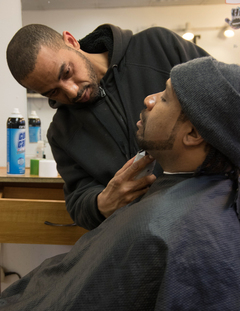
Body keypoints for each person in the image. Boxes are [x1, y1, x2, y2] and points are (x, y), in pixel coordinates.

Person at [1, 56, 240, 310]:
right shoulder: (194, 199)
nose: (149, 99)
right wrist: (100, 204)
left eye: (165, 97)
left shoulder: (185, 234)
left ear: (193, 134)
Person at [6, 23, 210, 230]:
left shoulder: (157, 46)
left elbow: (225, 95)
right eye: (52, 92)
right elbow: (78, 202)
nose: (72, 92)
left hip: (214, 207)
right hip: (142, 233)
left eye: (66, 72)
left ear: (71, 41)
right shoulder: (61, 133)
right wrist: (101, 204)